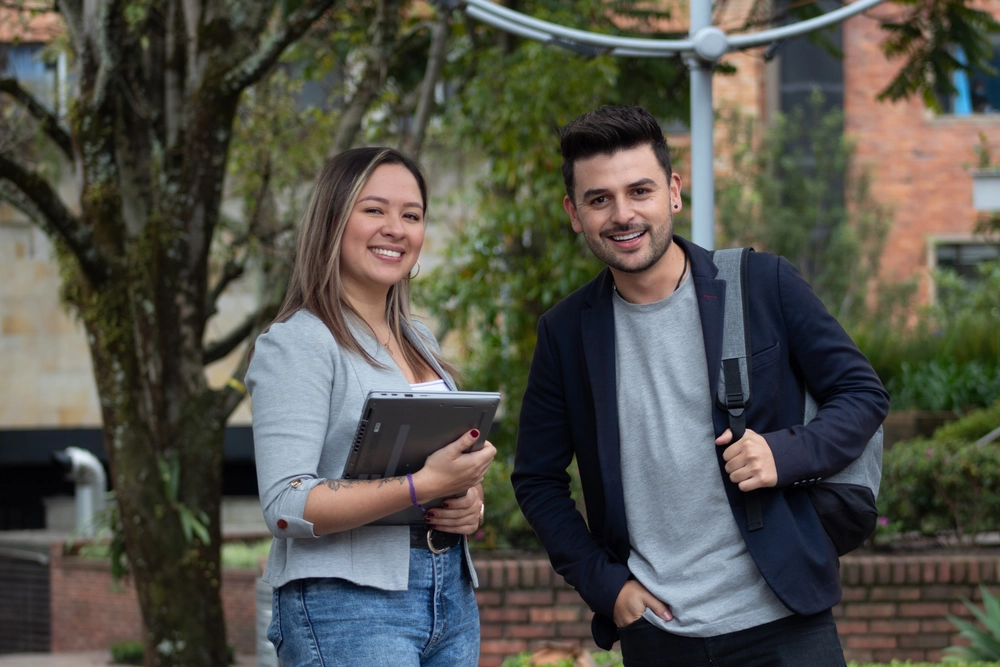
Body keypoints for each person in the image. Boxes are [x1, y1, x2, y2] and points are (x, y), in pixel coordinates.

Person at [512, 105, 890, 666]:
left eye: (639, 191)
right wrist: (605, 586)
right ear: (575, 213)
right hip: (659, 634)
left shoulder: (763, 284)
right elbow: (538, 480)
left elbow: (862, 394)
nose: (623, 214)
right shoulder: (565, 333)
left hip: (785, 620)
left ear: (673, 192)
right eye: (599, 199)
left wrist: (782, 453)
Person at [247, 146, 496, 667]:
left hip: (448, 595)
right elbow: (285, 505)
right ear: (333, 222)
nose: (396, 228)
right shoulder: (299, 343)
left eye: (412, 215)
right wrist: (421, 485)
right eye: (374, 209)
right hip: (348, 605)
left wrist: (466, 501)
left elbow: (431, 466)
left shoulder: (420, 339)